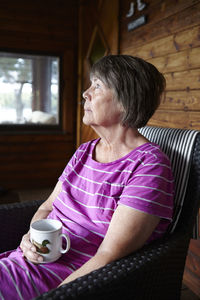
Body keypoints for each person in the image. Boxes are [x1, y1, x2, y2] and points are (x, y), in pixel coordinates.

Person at [0, 55, 174, 299]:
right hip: (23, 262)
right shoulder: (84, 152)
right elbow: (47, 207)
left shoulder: (149, 165)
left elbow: (108, 256)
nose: (85, 93)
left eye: (98, 85)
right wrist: (31, 239)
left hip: (66, 282)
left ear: (127, 101)